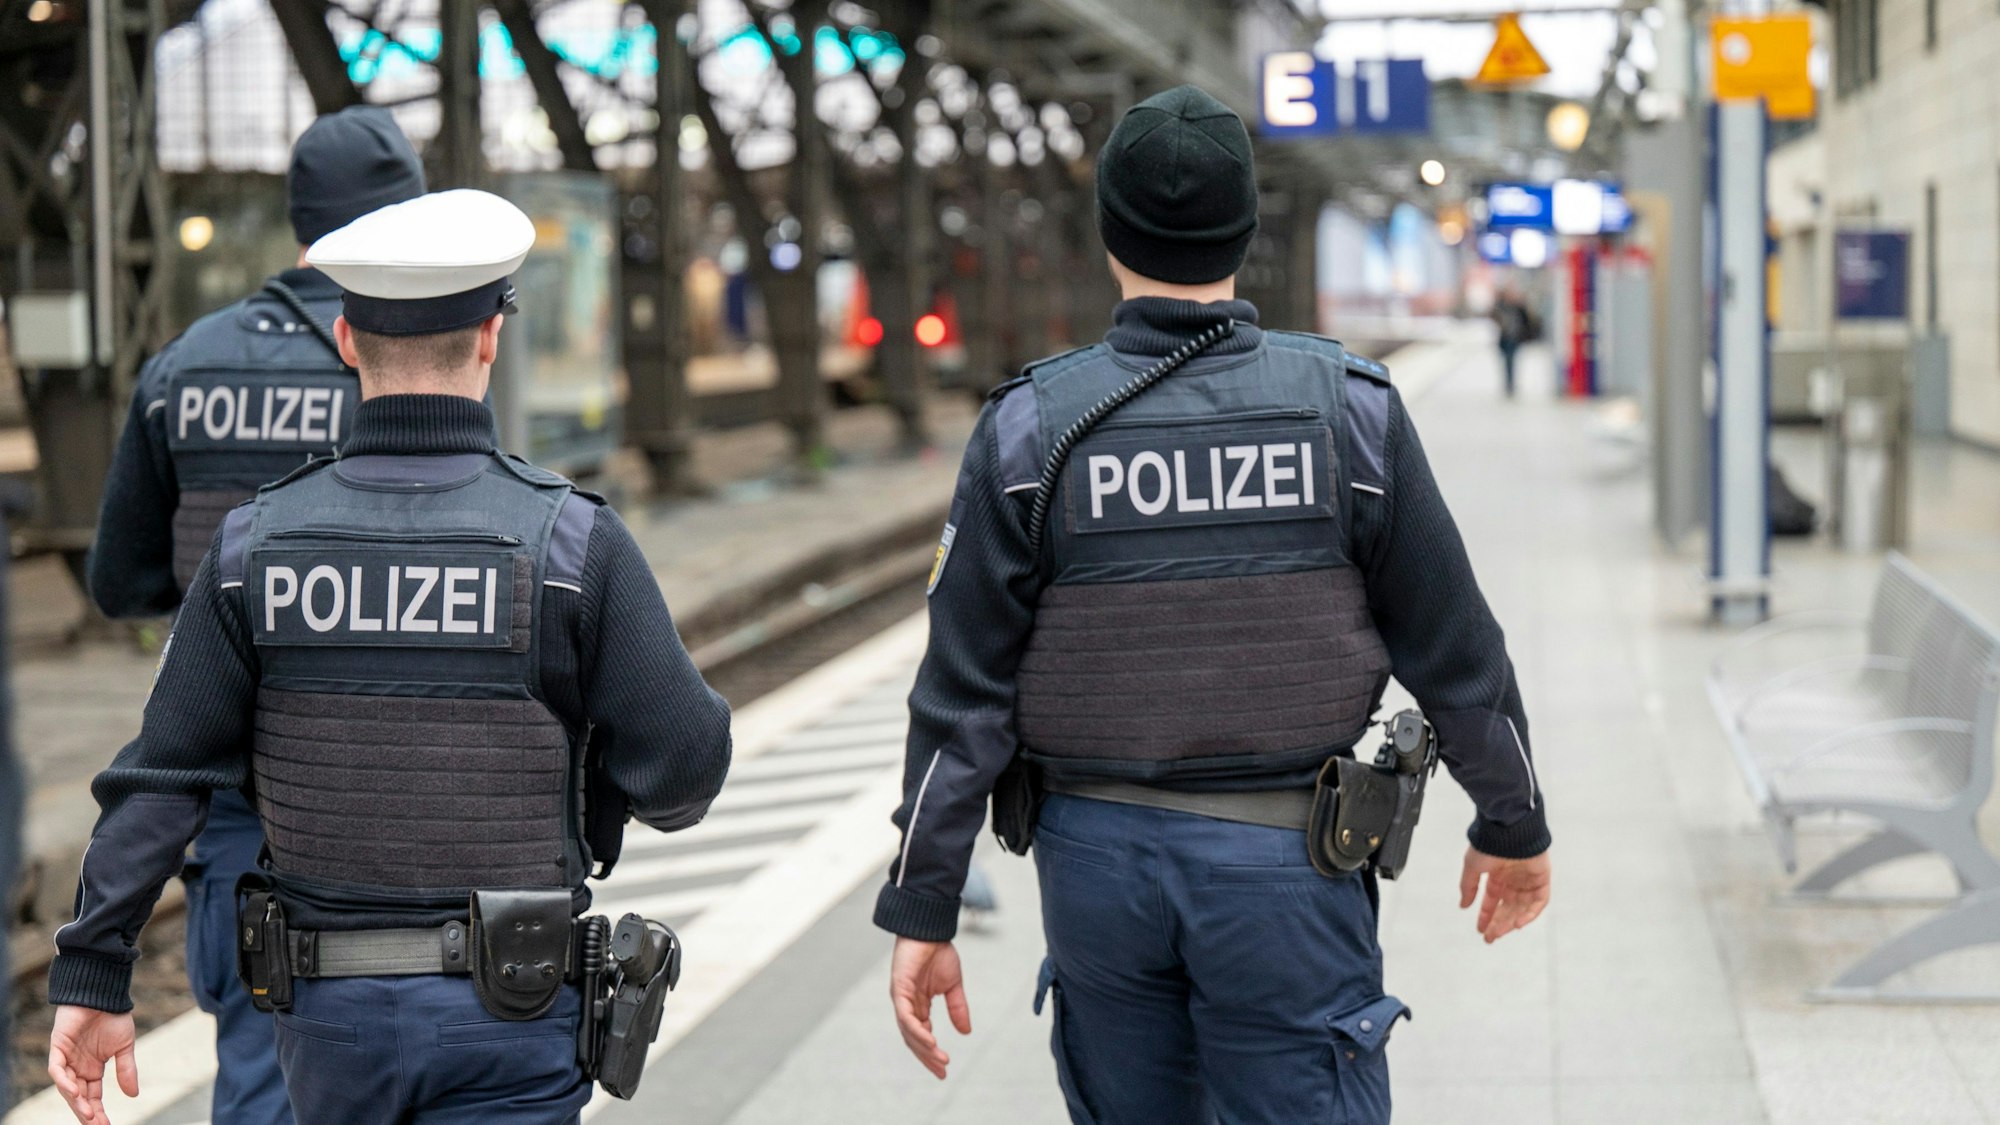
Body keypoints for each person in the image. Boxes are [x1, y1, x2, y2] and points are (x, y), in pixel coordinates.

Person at [875, 85, 1553, 1124]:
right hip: (1286, 866)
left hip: (1093, 866)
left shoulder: (1028, 431)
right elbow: (1457, 650)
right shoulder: (1347, 417)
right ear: (1242, 227)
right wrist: (1512, 822)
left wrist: (923, 899)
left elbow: (962, 693)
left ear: (1109, 231)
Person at [46, 189, 733, 1125]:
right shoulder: (570, 544)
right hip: (516, 1013)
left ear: (345, 343)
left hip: (329, 1030)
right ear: (492, 338)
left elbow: (162, 772)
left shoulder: (256, 547)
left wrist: (93, 967)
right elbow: (685, 764)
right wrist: (595, 793)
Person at [79, 105, 426, 1125]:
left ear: (299, 219)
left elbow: (118, 579)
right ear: (404, 214)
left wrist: (210, 621)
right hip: (384, 792)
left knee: (261, 1061)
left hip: (230, 793)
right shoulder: (409, 363)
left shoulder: (183, 366)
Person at [1492, 284, 1533, 397]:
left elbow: (1527, 320)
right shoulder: (1501, 306)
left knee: (1512, 361)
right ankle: (1508, 383)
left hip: (1515, 338)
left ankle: (1511, 384)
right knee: (1506, 362)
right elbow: (1493, 315)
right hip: (1504, 338)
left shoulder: (1519, 307)